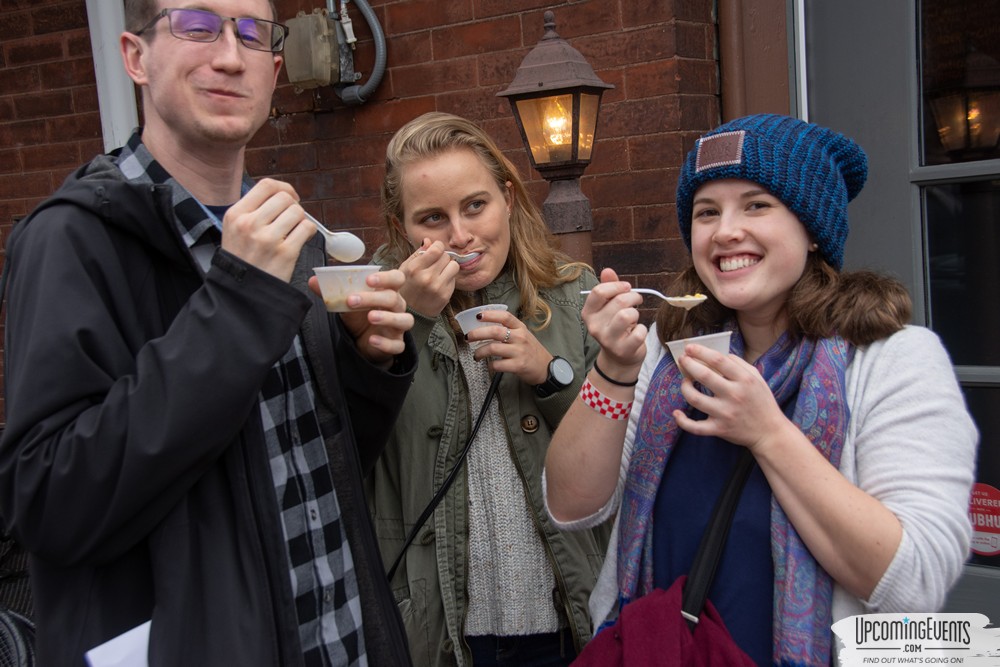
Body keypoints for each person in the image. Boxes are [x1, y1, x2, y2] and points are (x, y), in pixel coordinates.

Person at [0, 1, 418, 664]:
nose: (229, 55)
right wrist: (238, 304)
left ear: (274, 71)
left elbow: (302, 469)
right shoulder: (69, 241)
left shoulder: (290, 236)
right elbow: (51, 502)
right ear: (135, 57)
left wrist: (364, 361)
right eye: (196, 24)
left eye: (252, 33)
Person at [543, 114, 978, 665]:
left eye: (756, 205)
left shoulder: (893, 359)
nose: (726, 231)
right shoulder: (670, 350)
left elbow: (914, 581)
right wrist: (613, 369)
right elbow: (570, 506)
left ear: (813, 227)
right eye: (707, 212)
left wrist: (768, 432)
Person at [367, 111, 609, 666]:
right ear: (402, 226)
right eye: (432, 217)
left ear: (507, 198)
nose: (460, 236)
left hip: (567, 627)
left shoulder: (574, 299)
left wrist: (549, 373)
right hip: (437, 639)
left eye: (475, 205)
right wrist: (414, 321)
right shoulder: (375, 317)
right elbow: (353, 453)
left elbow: (620, 462)